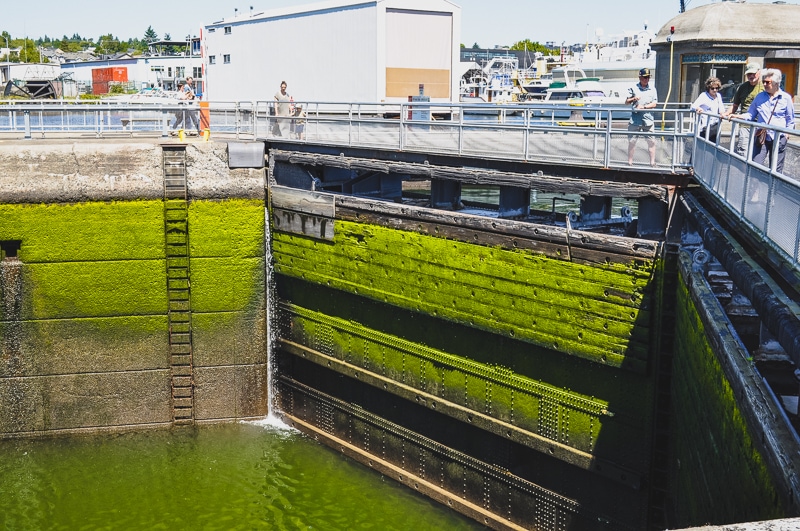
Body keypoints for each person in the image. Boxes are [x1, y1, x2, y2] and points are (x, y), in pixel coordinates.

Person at [731, 68, 795, 173]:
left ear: (776, 83)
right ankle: (753, 188)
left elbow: (790, 119)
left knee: (776, 169)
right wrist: (737, 116)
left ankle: (773, 189)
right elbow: (751, 114)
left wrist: (787, 134)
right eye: (764, 81)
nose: (764, 84)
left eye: (767, 82)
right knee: (756, 165)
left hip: (779, 137)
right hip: (762, 136)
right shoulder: (760, 97)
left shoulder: (785, 98)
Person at [723, 62, 764, 155]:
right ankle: (742, 169)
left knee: (757, 153)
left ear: (759, 72)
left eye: (753, 73)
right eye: (749, 74)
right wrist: (726, 114)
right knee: (743, 151)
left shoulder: (765, 87)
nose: (751, 76)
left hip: (760, 125)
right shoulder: (743, 87)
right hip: (745, 124)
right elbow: (735, 105)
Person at [626, 67, 659, 166]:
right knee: (632, 142)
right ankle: (630, 162)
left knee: (651, 142)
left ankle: (652, 162)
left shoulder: (652, 89)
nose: (646, 79)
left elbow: (654, 103)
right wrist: (633, 99)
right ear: (640, 77)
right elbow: (626, 102)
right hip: (635, 119)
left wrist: (644, 107)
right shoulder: (634, 88)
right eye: (644, 77)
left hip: (648, 119)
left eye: (648, 77)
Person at [691, 76, 726, 141]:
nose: (715, 90)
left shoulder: (718, 96)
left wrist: (722, 113)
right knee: (704, 146)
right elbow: (693, 106)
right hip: (705, 126)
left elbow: (721, 108)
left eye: (717, 88)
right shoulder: (704, 95)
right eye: (712, 88)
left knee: (714, 145)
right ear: (708, 88)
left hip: (715, 125)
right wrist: (698, 108)